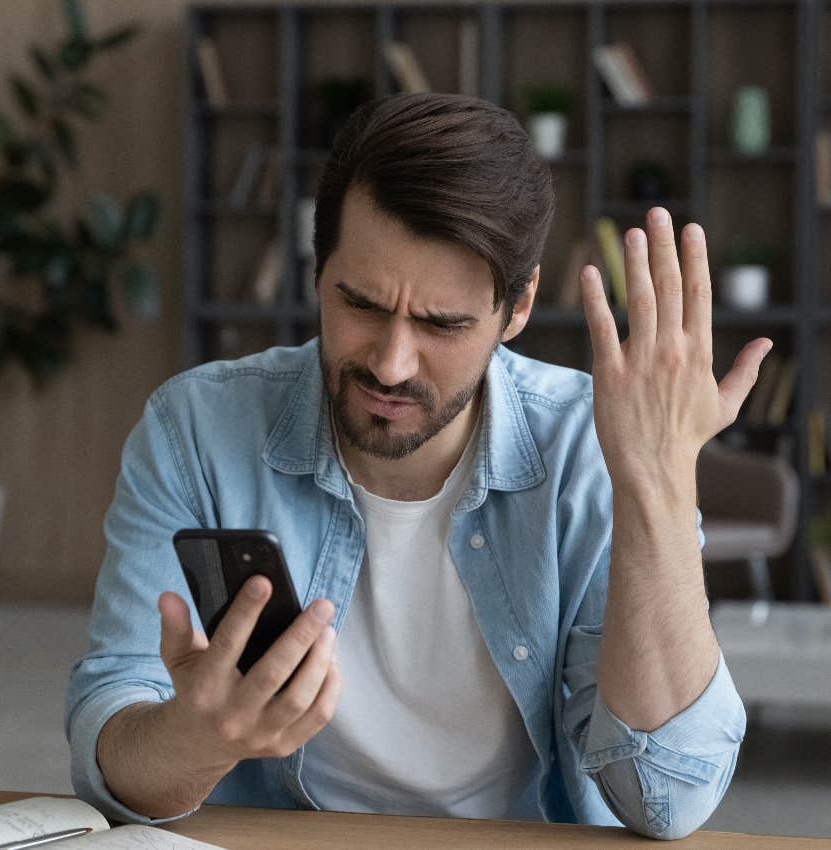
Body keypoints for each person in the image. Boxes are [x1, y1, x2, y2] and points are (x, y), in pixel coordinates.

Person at [66, 92, 762, 840]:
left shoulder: (592, 449)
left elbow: (666, 799)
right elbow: (111, 749)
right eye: (361, 303)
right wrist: (197, 740)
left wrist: (656, 482)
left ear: (519, 306)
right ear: (316, 269)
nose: (392, 365)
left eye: (443, 323)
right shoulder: (195, 430)